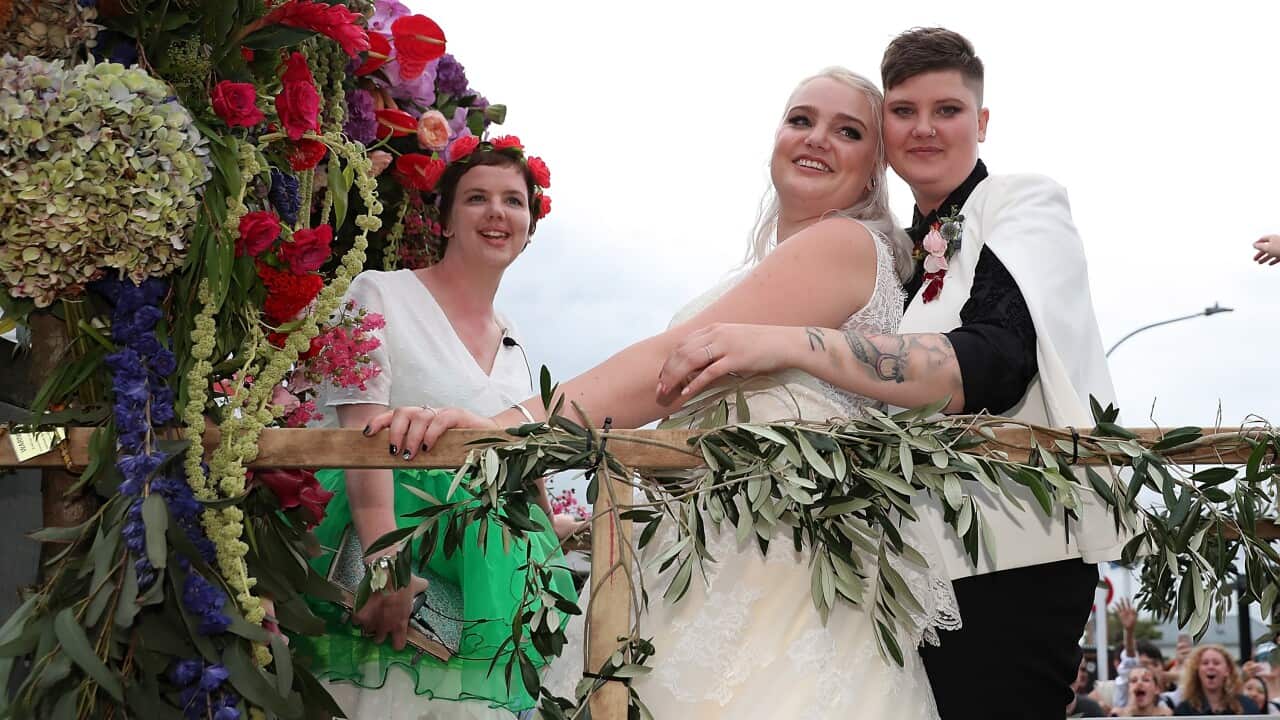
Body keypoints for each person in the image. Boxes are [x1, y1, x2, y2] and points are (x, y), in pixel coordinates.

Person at [371, 67, 957, 718]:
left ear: (875, 171)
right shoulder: (767, 269)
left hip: (777, 580)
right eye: (801, 120)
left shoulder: (843, 244)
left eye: (847, 131)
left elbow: (663, 371)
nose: (816, 138)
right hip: (717, 567)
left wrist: (501, 433)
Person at [644, 27, 1124, 720]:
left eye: (948, 110)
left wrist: (792, 344)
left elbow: (997, 362)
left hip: (1012, 556)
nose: (924, 128)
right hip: (902, 571)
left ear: (982, 121)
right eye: (903, 111)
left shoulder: (1020, 201)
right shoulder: (893, 257)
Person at [292, 142, 577, 719]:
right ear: (445, 219)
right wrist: (386, 569)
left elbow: (511, 455)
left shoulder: (515, 340)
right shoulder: (378, 292)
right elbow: (356, 440)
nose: (497, 213)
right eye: (477, 199)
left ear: (529, 227)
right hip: (393, 545)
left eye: (513, 201)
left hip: (480, 573)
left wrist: (555, 525)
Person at [1172, 645, 1259, 715]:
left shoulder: (1246, 706)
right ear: (1197, 671)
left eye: (1216, 663)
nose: (1211, 667)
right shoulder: (1184, 710)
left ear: (1227, 670)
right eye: (1205, 663)